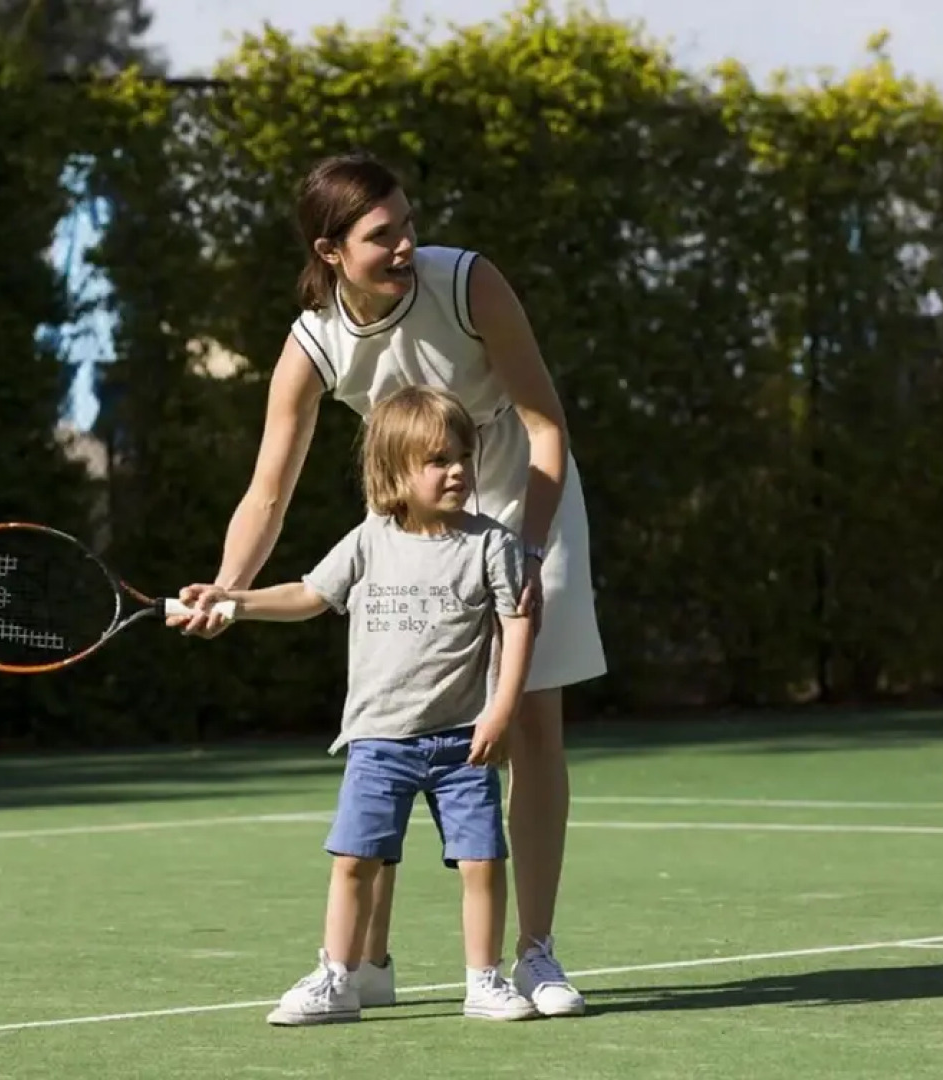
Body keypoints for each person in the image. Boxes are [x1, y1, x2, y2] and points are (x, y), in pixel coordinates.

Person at [168, 151, 606, 1018]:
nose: (407, 243)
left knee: (530, 723)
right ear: (331, 252)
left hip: (525, 494)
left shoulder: (468, 282)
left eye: (408, 223)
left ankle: (534, 956)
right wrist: (225, 588)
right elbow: (268, 489)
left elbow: (545, 424)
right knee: (403, 716)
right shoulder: (312, 342)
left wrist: (520, 545)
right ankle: (365, 966)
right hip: (415, 518)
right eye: (382, 234)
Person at [179, 386, 540, 1025]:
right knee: (354, 863)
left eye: (463, 455)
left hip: (463, 740)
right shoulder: (369, 541)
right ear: (395, 471)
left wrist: (501, 709)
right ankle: (337, 979)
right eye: (437, 460)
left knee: (483, 862)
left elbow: (518, 624)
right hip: (377, 741)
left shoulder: (493, 545)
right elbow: (309, 595)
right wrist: (233, 599)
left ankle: (485, 981)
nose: (456, 470)